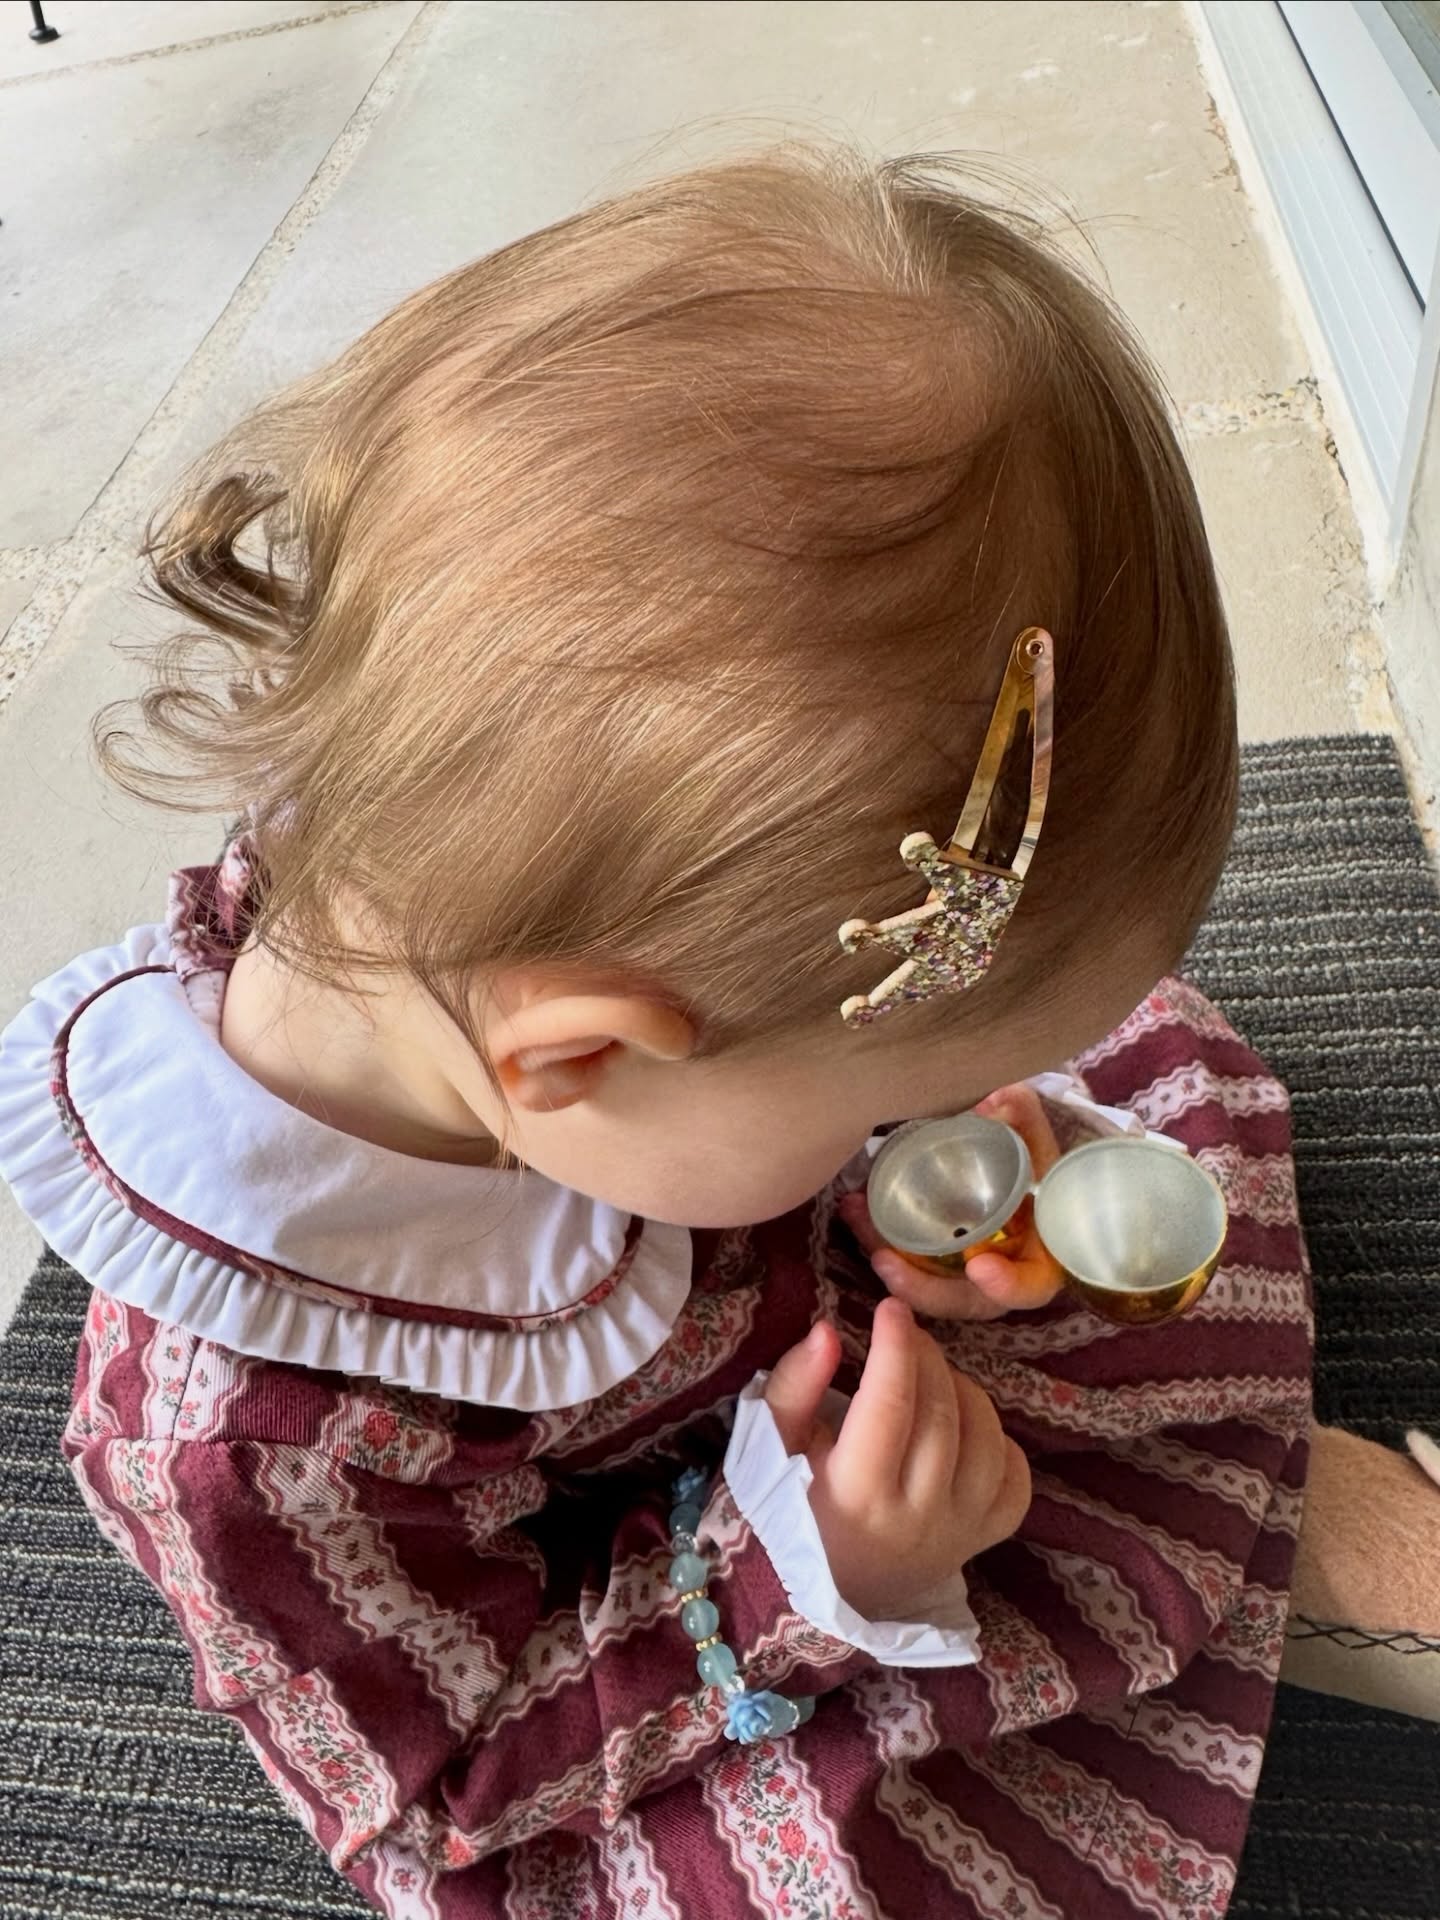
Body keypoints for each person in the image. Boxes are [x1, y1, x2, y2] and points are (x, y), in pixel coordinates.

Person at [0, 150, 1313, 1919]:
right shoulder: (253, 1448)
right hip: (588, 1655)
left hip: (725, 1306)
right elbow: (448, 1793)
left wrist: (892, 1183)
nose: (932, 1119)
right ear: (580, 1060)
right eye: (889, 1095)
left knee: (1134, 1120)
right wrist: (806, 1569)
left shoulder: (486, 869)